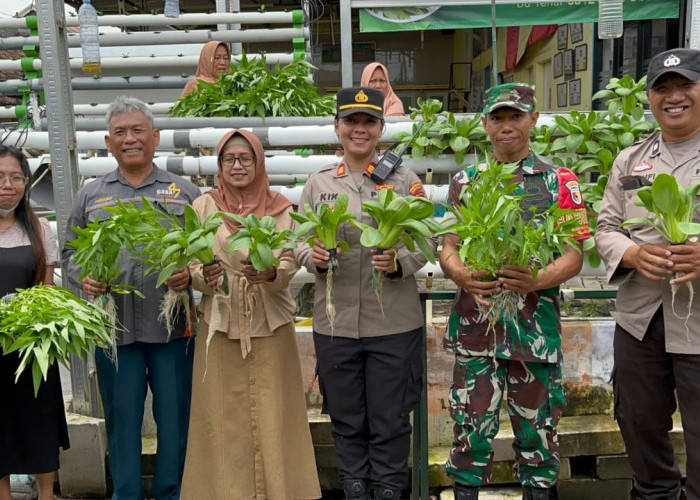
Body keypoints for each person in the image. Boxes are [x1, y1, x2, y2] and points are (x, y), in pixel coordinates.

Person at [439, 83, 589, 500]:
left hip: (534, 333)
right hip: (476, 333)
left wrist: (536, 281)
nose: (507, 125)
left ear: (533, 120)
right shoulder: (466, 182)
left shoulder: (559, 180)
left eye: (516, 116)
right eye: (498, 117)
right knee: (470, 434)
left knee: (539, 438)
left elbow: (575, 253)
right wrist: (463, 276)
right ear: (485, 124)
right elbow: (448, 247)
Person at [294, 87, 433, 500]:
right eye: (351, 121)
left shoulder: (406, 181)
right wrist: (313, 257)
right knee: (347, 418)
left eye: (368, 122)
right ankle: (354, 488)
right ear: (337, 128)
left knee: (391, 420)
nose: (359, 129)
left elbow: (425, 243)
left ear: (380, 129)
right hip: (336, 325)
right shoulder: (318, 183)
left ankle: (389, 490)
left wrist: (399, 263)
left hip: (393, 322)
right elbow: (297, 241)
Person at [62, 96, 201, 500]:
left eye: (138, 130)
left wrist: (189, 272)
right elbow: (71, 253)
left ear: (155, 137)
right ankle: (126, 493)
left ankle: (171, 492)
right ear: (108, 142)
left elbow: (207, 249)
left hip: (173, 329)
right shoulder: (92, 195)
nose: (130, 139)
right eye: (120, 132)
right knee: (122, 420)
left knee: (174, 419)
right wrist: (82, 278)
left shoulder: (184, 191)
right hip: (114, 331)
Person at [180, 129, 321, 500]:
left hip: (270, 325)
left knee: (277, 416)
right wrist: (205, 277)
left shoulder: (282, 207)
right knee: (220, 420)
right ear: (219, 166)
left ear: (259, 163)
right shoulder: (203, 207)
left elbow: (290, 260)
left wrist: (272, 272)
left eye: (246, 158)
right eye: (229, 159)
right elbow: (191, 263)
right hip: (220, 327)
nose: (238, 166)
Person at [595, 48, 700, 500]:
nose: (673, 97)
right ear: (650, 99)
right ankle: (655, 493)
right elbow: (605, 228)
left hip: (697, 322)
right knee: (638, 421)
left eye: (685, 86)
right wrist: (634, 254)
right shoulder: (630, 159)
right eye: (663, 89)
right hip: (640, 317)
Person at [0, 145, 69, 500]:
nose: (6, 185)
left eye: (15, 177)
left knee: (38, 421)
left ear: (26, 183)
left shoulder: (40, 229)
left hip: (32, 349)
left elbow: (47, 290)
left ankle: (46, 494)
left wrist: (34, 322)